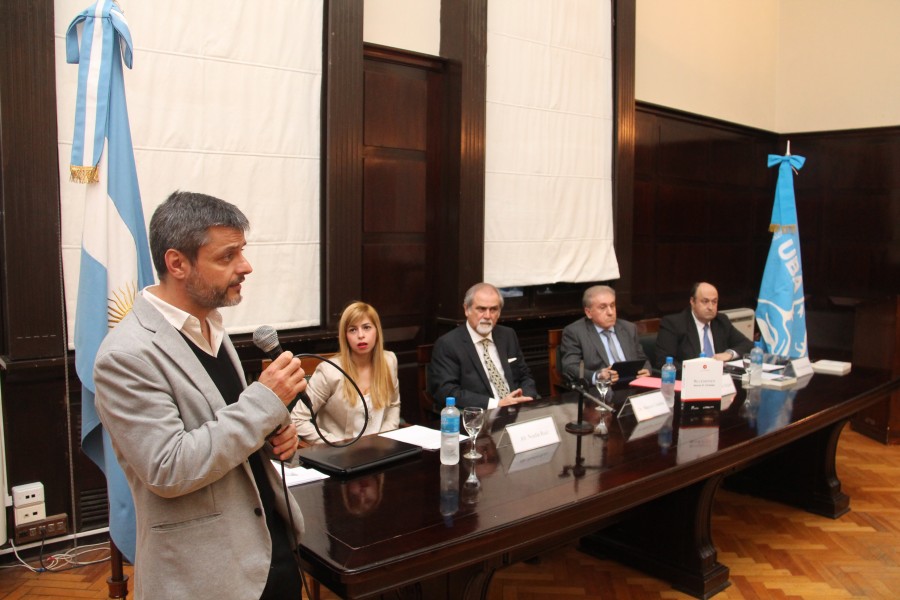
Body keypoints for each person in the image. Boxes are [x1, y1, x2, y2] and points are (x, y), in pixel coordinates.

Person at [93, 191, 307, 600]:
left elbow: (231, 430)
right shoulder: (125, 355)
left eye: (241, 252)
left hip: (270, 548)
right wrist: (265, 401)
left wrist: (278, 439)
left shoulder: (212, 328)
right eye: (227, 257)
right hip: (206, 576)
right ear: (177, 263)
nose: (245, 267)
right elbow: (169, 468)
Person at [291, 301, 400, 444]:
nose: (361, 335)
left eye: (366, 327)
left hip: (380, 453)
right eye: (353, 330)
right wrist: (337, 444)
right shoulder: (329, 371)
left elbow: (393, 405)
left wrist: (384, 440)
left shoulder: (389, 361)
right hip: (340, 456)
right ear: (345, 336)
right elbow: (297, 419)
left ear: (377, 331)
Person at [428, 282, 539, 410]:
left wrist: (525, 398)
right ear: (466, 309)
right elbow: (447, 391)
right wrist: (497, 404)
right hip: (480, 416)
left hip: (518, 410)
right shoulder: (448, 344)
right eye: (481, 309)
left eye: (493, 309)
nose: (487, 316)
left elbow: (525, 376)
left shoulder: (508, 335)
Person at [559, 285, 651, 387]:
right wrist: (597, 376)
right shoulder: (575, 332)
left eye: (612, 305)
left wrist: (646, 371)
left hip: (632, 386)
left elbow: (643, 359)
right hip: (601, 390)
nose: (610, 312)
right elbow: (570, 367)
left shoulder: (629, 328)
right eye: (603, 307)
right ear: (588, 312)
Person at [654, 281, 754, 372]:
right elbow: (663, 361)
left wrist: (729, 354)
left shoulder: (721, 321)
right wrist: (696, 372)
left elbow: (747, 345)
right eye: (705, 301)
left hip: (720, 380)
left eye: (714, 302)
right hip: (689, 382)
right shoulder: (673, 323)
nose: (710, 307)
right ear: (692, 302)